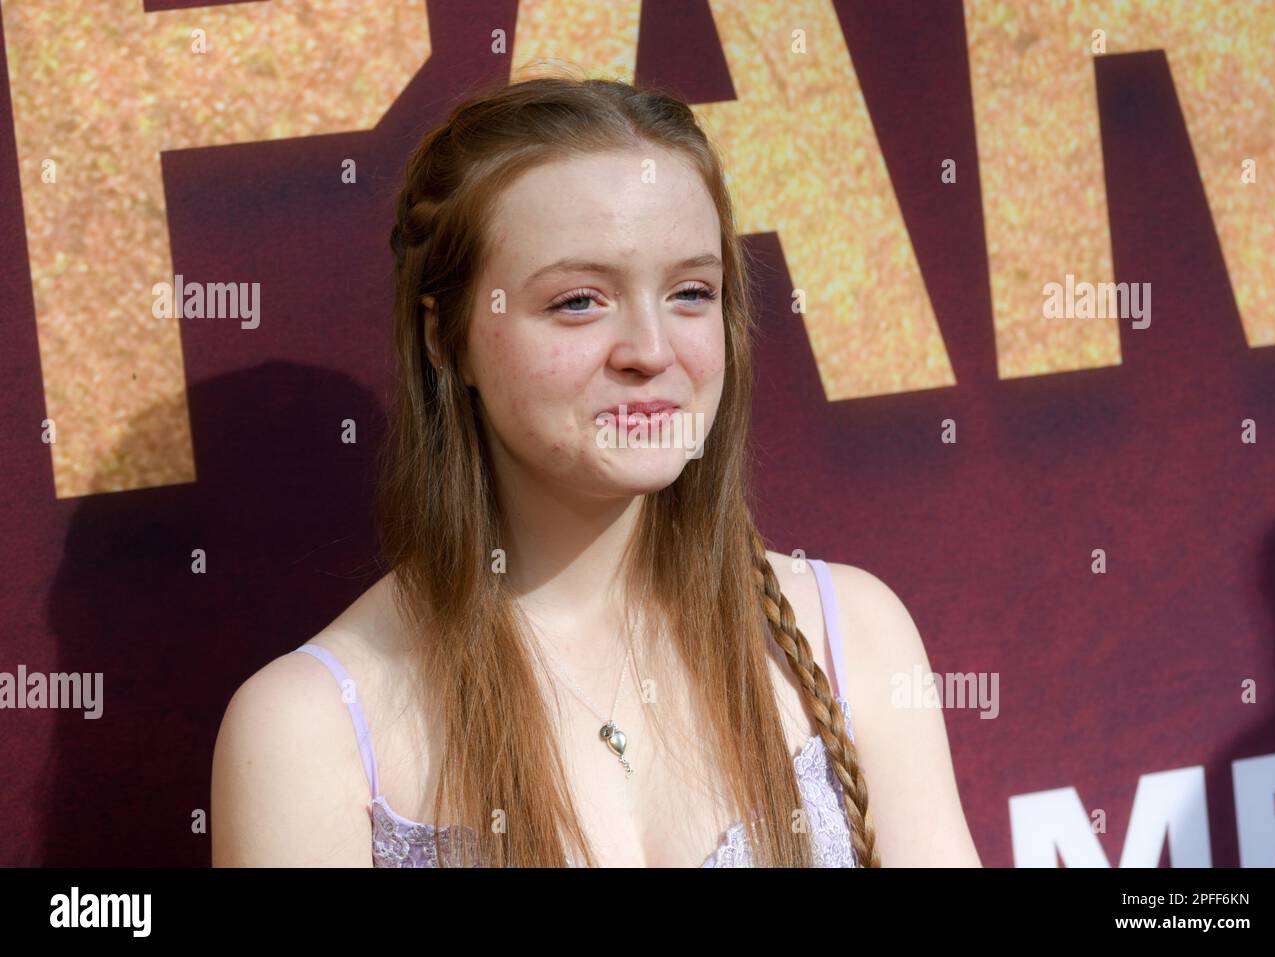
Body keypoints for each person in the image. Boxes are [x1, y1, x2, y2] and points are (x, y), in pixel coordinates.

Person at [211, 75, 981, 868]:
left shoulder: (851, 634)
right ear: (447, 338)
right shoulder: (308, 731)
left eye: (690, 292)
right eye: (579, 300)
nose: (650, 349)